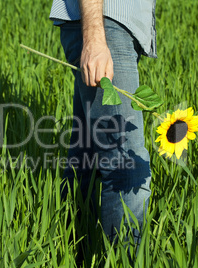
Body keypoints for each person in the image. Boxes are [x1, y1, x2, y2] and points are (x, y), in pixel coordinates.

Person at [49, 0, 157, 256]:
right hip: (104, 25)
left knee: (85, 162)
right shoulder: (102, 32)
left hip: (102, 24)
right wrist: (95, 37)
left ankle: (70, 254)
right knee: (127, 170)